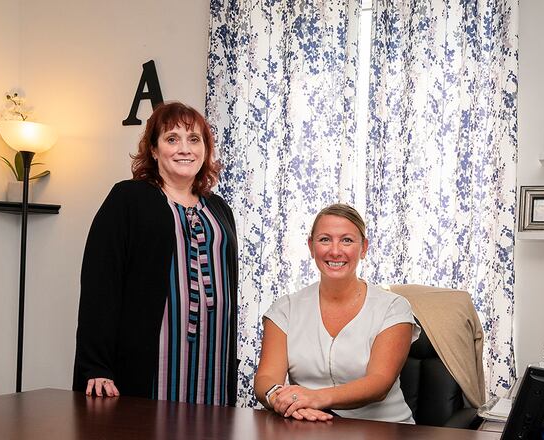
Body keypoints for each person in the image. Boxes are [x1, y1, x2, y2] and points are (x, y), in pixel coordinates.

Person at [73, 102, 239, 406]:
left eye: (194, 139)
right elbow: (100, 283)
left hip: (212, 361)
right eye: (172, 139)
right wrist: (96, 364)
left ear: (205, 149)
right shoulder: (128, 199)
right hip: (150, 364)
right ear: (153, 149)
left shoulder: (219, 209)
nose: (184, 149)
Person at [254, 204, 420, 423]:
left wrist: (313, 398)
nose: (335, 250)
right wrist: (281, 400)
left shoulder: (394, 307)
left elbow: (379, 383)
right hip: (308, 426)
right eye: (324, 239)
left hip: (383, 430)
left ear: (363, 248)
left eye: (347, 240)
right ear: (311, 246)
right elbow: (266, 378)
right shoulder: (285, 308)